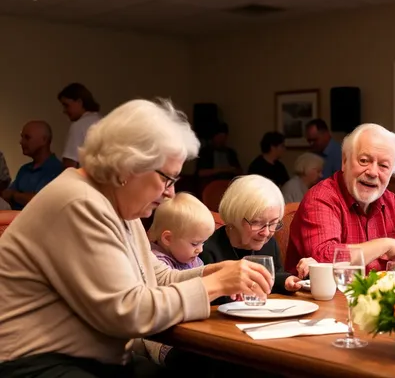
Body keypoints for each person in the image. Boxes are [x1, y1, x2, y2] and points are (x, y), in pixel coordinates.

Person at [0, 99, 273, 377]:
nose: (170, 192)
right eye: (168, 178)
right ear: (128, 166)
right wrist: (214, 285)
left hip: (88, 359)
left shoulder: (120, 210)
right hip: (32, 363)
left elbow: (158, 280)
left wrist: (214, 273)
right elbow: (127, 312)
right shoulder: (78, 203)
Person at [285, 123, 395, 274]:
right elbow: (325, 257)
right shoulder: (322, 197)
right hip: (322, 300)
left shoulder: (389, 200)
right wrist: (385, 245)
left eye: (383, 166)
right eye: (364, 161)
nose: (373, 172)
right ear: (345, 162)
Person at [200, 175, 303, 305]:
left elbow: (274, 276)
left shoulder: (269, 244)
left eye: (273, 223)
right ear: (235, 217)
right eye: (257, 223)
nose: (266, 232)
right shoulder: (208, 251)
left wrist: (285, 281)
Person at [145, 192, 216, 372]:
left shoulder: (193, 259)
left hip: (193, 332)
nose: (200, 250)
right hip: (162, 341)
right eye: (195, 243)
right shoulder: (155, 261)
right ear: (167, 238)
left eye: (203, 243)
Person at [1, 120, 63, 210]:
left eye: (27, 137)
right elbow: (6, 195)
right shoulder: (24, 169)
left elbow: (41, 201)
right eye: (22, 137)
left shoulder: (57, 170)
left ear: (44, 140)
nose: (21, 142)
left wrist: (15, 195)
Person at [58, 83, 102, 168]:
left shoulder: (78, 126)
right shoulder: (103, 121)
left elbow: (70, 165)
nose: (64, 110)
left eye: (66, 105)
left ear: (79, 102)